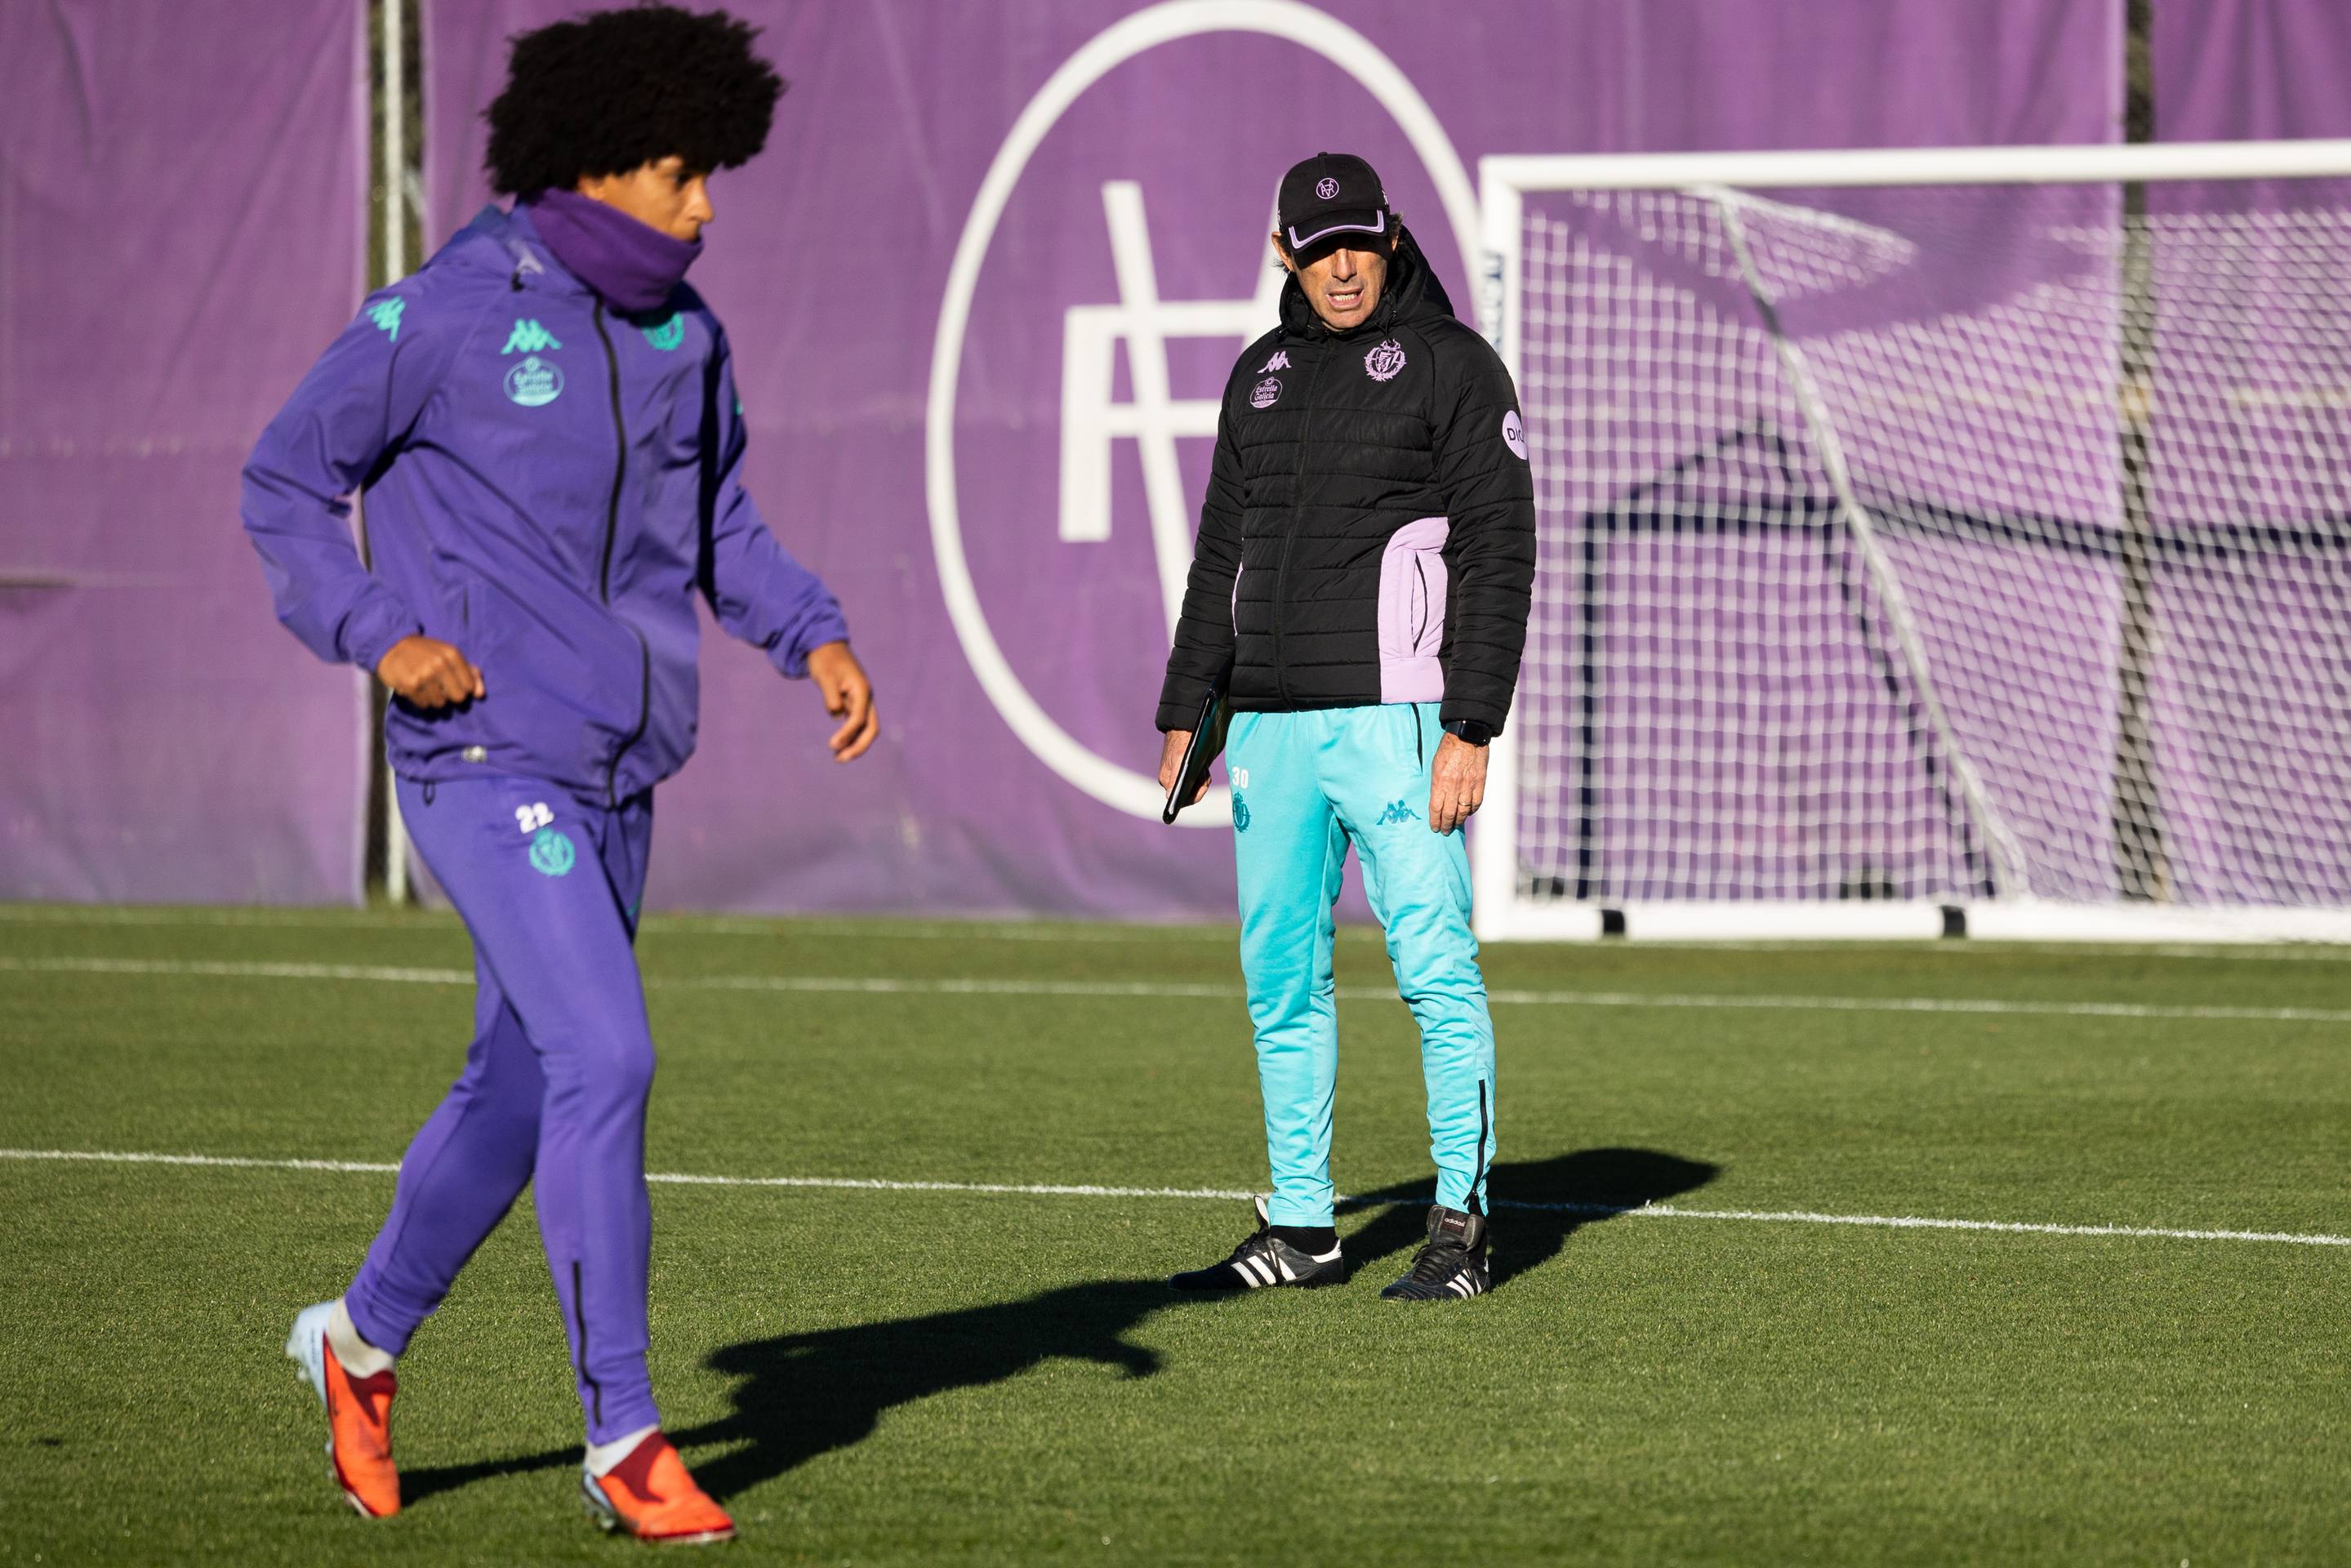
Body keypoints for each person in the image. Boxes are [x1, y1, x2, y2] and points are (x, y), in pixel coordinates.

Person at [243, 7, 874, 1542]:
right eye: (680, 174)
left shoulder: (689, 336)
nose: (706, 205)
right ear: (594, 164)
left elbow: (721, 526)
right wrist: (380, 631)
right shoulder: (450, 311)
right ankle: (626, 1436)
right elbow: (284, 482)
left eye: (711, 174)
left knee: (522, 1087)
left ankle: (360, 1345)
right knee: (611, 1056)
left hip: (621, 769)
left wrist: (814, 635)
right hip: (476, 754)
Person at [1155, 152, 1535, 1302]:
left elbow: (1497, 549)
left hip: (1401, 725)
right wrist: (1191, 710)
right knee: (1280, 976)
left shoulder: (1455, 366)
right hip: (1270, 729)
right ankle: (1304, 1226)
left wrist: (1471, 722)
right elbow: (1223, 552)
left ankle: (1461, 1223)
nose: (1341, 269)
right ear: (1286, 255)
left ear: (1393, 235)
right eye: (1318, 252)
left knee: (1435, 969)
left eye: (1358, 245)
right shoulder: (1258, 376)